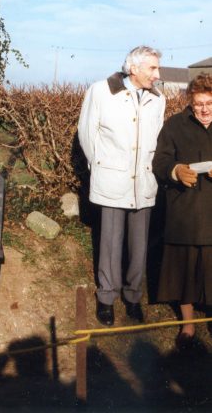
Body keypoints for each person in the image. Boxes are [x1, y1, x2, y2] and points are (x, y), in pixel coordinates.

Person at [78, 46, 165, 326]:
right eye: (152, 68)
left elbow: (155, 140)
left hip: (144, 182)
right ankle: (106, 299)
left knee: (138, 246)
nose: (157, 74)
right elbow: (87, 134)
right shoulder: (101, 91)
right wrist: (103, 167)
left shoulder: (158, 99)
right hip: (112, 180)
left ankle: (133, 297)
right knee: (110, 243)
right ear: (134, 68)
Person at [152, 73, 212, 348]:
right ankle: (188, 325)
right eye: (199, 103)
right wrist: (175, 171)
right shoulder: (175, 125)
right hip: (185, 212)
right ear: (190, 101)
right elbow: (160, 161)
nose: (204, 109)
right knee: (184, 272)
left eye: (209, 103)